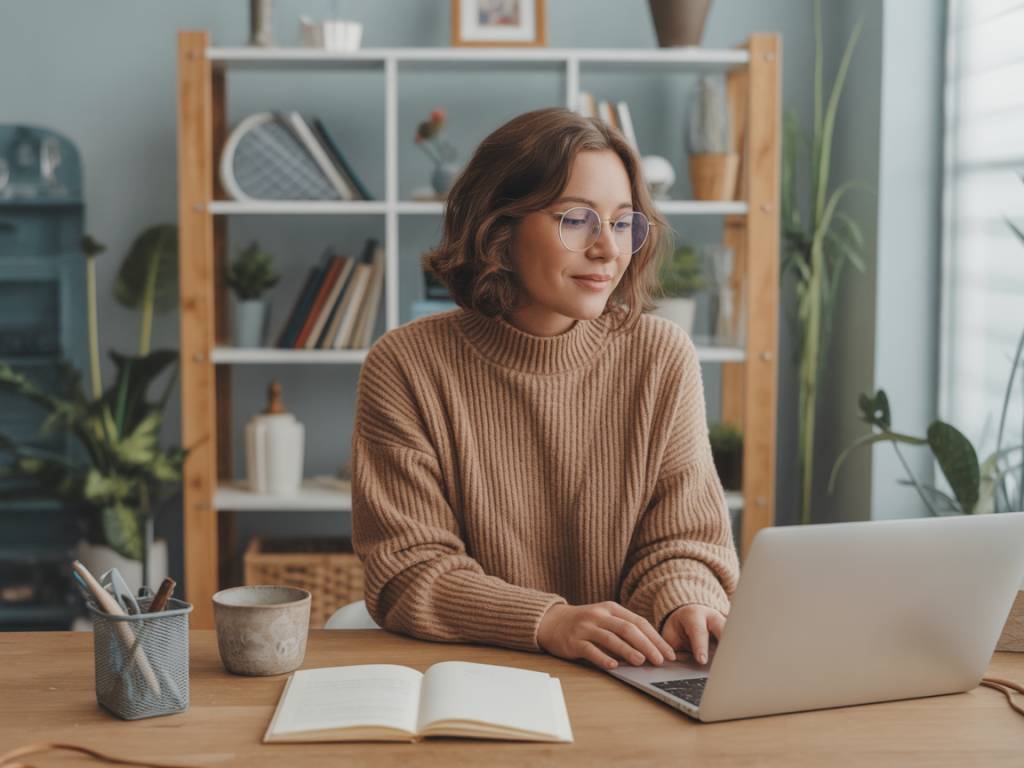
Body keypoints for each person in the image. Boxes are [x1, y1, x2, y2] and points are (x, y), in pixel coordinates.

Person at [351, 106, 739, 671]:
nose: (609, 249)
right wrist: (548, 621)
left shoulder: (660, 356)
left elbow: (684, 542)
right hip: (473, 675)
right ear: (499, 231)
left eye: (623, 221)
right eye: (577, 219)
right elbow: (408, 571)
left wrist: (687, 600)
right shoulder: (407, 365)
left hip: (629, 673)